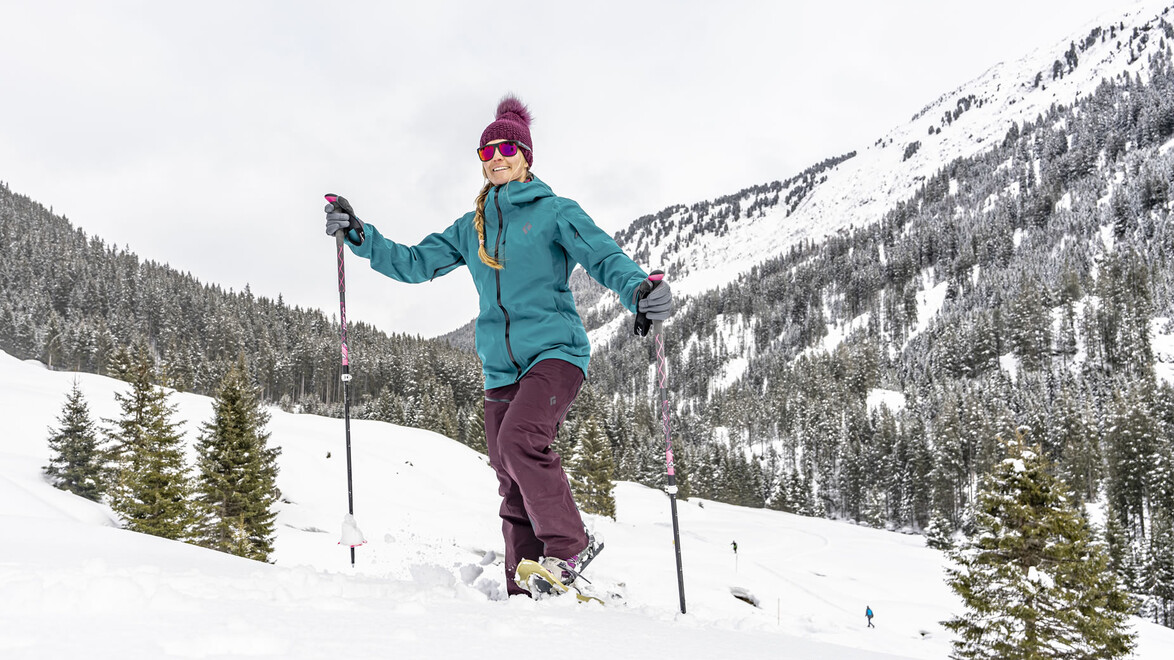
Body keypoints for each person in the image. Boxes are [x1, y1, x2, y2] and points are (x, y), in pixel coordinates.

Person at [322, 95, 673, 597]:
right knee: (508, 471)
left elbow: (604, 257)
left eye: (508, 147)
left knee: (519, 442)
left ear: (526, 156)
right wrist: (360, 234)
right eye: (486, 151)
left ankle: (569, 547)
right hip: (500, 368)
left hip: (556, 353)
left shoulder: (555, 212)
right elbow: (414, 262)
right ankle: (526, 582)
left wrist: (639, 290)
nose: (497, 157)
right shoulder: (473, 227)